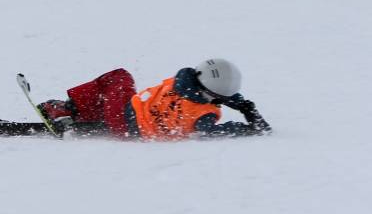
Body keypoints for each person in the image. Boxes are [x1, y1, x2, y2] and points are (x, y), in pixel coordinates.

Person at [35, 58, 270, 140]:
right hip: (127, 126)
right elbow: (215, 131)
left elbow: (216, 87)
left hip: (126, 111)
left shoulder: (183, 81)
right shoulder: (202, 114)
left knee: (119, 77)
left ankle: (67, 108)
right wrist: (250, 125)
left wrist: (239, 104)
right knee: (111, 102)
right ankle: (74, 115)